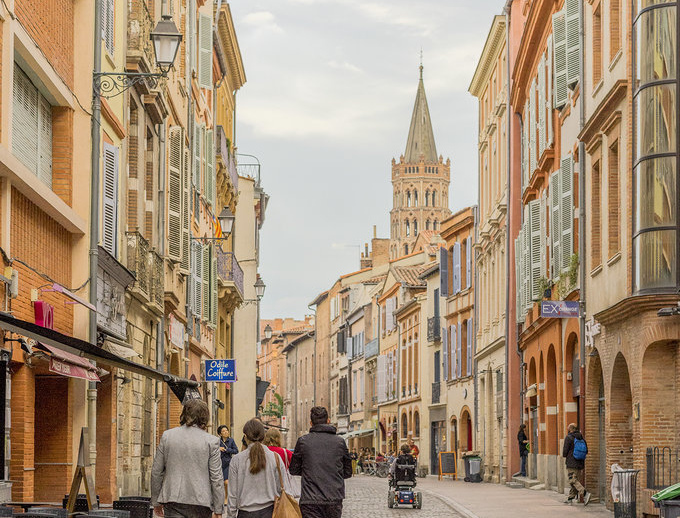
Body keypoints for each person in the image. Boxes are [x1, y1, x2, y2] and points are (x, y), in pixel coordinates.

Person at [151, 399, 224, 518]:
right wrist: (218, 508)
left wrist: (156, 501)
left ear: (184, 414)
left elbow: (156, 471)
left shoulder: (168, 436)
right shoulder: (212, 441)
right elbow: (216, 477)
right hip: (201, 501)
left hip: (173, 499)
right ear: (204, 416)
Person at [289, 406, 352, 518]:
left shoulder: (303, 441)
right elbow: (347, 472)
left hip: (310, 500)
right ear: (328, 421)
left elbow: (293, 469)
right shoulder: (340, 442)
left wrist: (309, 471)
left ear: (310, 423)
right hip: (333, 499)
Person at [227, 418, 283, 518]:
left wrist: (231, 515)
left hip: (245, 513)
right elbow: (282, 488)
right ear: (263, 436)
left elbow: (232, 495)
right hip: (269, 512)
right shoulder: (274, 458)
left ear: (245, 437)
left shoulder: (237, 460)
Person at [563, 423, 591, 505]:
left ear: (570, 429)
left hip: (572, 462)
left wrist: (566, 455)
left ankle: (585, 493)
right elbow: (586, 450)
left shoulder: (569, 437)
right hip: (580, 462)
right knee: (575, 481)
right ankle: (570, 498)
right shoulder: (581, 437)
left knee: (572, 480)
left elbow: (565, 451)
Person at [218, 425, 239, 495]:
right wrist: (219, 449)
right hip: (219, 463)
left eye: (226, 430)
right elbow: (213, 450)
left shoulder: (231, 441)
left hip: (228, 463)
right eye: (223, 431)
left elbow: (236, 451)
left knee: (226, 482)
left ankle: (226, 497)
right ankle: (222, 496)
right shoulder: (217, 441)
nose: (226, 432)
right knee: (219, 482)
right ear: (220, 434)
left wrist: (227, 450)